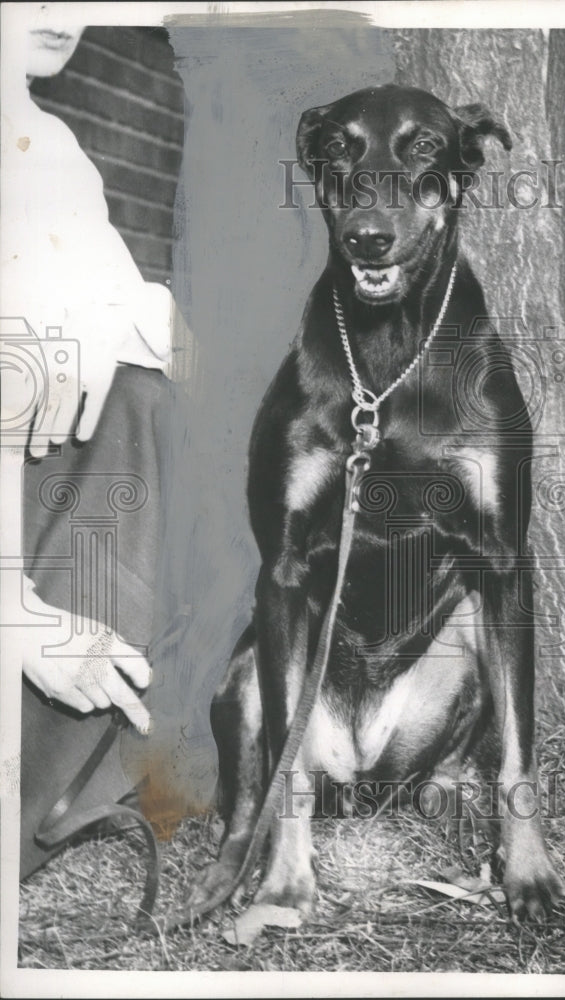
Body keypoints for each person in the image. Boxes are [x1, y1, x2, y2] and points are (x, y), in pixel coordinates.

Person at [1, 12, 179, 877]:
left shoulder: (55, 148)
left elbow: (144, 319)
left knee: (150, 406)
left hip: (33, 505)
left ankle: (46, 784)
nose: (59, 13)